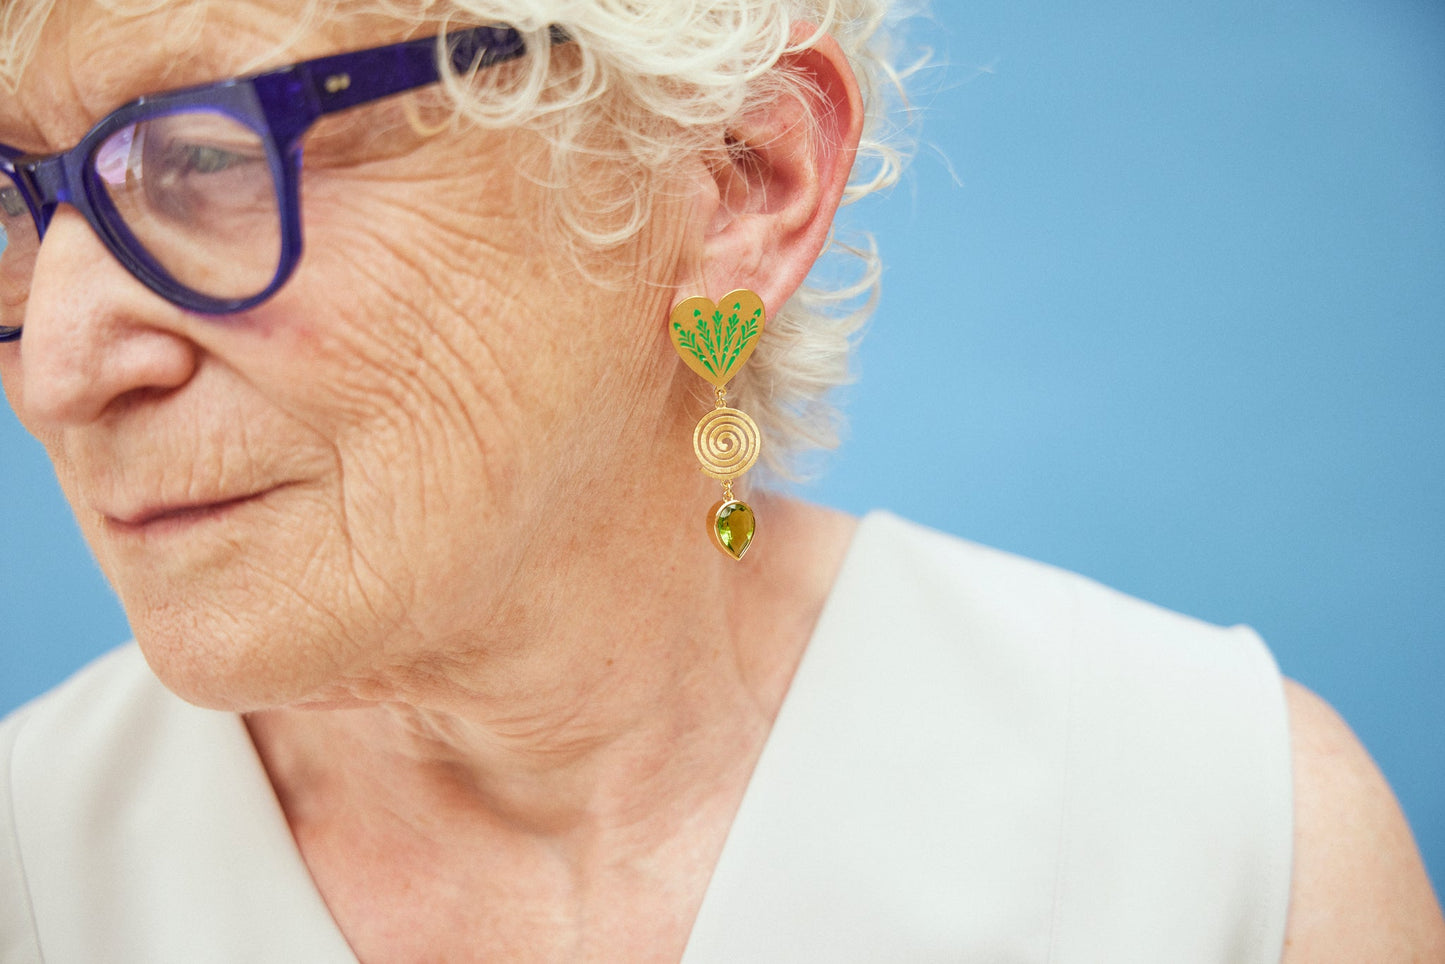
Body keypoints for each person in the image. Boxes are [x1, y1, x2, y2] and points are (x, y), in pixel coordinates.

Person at [1, 0, 1441, 960]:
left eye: (200, 154)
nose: (58, 365)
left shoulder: (1229, 841)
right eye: (16, 196)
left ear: (733, 177)